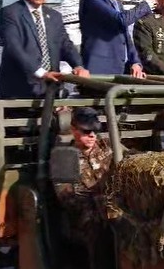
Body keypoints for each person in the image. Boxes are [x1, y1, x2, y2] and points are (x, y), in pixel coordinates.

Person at [0, 0, 89, 99]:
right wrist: (41, 72)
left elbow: (65, 45)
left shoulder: (54, 16)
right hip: (19, 90)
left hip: (50, 89)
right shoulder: (10, 13)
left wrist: (78, 65)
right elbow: (14, 47)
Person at [54, 107, 114, 269]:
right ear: (74, 130)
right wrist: (102, 203)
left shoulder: (107, 146)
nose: (92, 136)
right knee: (100, 230)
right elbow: (67, 199)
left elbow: (131, 160)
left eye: (94, 131)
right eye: (87, 131)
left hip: (112, 206)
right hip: (83, 216)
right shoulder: (64, 157)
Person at [79, 0, 160, 76]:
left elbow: (125, 36)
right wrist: (147, 2)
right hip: (100, 71)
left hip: (122, 70)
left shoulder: (116, 3)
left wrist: (135, 62)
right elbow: (121, 20)